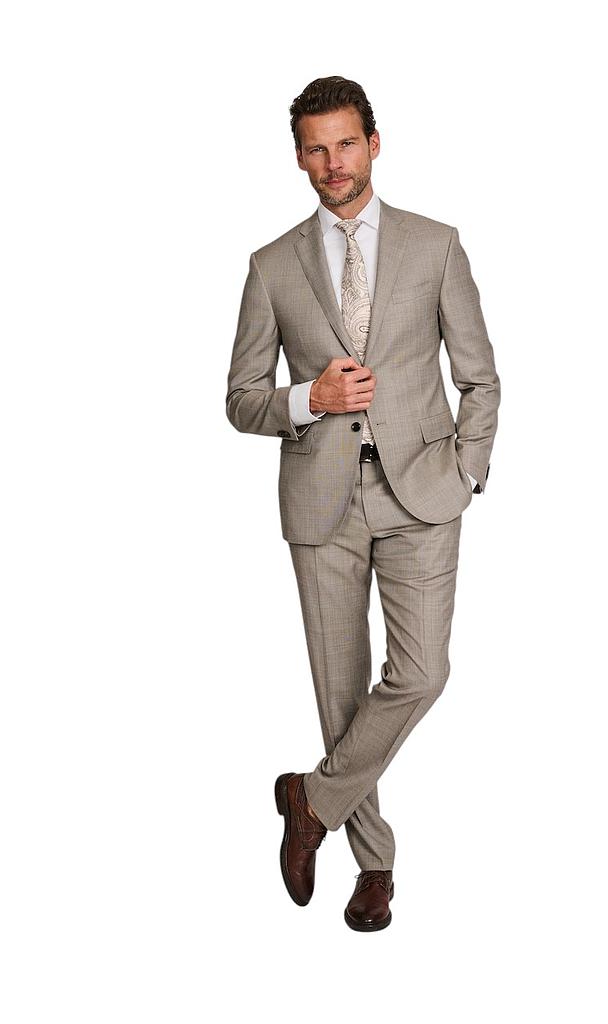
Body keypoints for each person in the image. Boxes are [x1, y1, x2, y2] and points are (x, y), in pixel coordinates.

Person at [225, 76, 501, 931]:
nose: (332, 163)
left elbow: (480, 376)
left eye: (345, 144)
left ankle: (311, 799)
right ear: (299, 158)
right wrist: (308, 399)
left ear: (373, 145)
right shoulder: (271, 266)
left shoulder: (436, 245)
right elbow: (241, 398)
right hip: (322, 504)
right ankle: (374, 865)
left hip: (423, 493)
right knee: (341, 696)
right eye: (315, 149)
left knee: (421, 674)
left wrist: (468, 470)